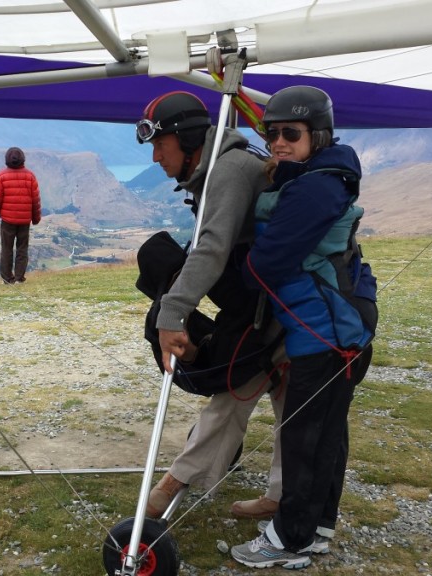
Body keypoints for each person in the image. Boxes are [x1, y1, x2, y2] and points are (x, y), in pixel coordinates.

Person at [230, 86, 378, 569]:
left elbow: (267, 264)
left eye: (289, 134)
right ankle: (315, 529)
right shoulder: (322, 174)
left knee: (304, 437)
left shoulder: (315, 187)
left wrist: (247, 263)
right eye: (271, 133)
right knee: (326, 435)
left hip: (326, 333)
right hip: (337, 328)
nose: (277, 142)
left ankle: (287, 541)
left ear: (318, 135)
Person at [134, 90, 286, 518]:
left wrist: (172, 312)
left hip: (282, 304)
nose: (155, 159)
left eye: (159, 147)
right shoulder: (218, 169)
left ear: (185, 139)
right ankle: (281, 494)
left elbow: (212, 248)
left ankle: (177, 482)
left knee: (242, 387)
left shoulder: (230, 170)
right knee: (272, 393)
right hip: (266, 301)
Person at [0, 146, 41, 284]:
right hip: (24, 221)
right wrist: (36, 218)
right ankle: (19, 277)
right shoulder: (30, 176)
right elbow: (35, 200)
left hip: (7, 220)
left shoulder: (1, 176)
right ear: (22, 159)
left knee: (6, 249)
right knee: (22, 249)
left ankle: (7, 278)